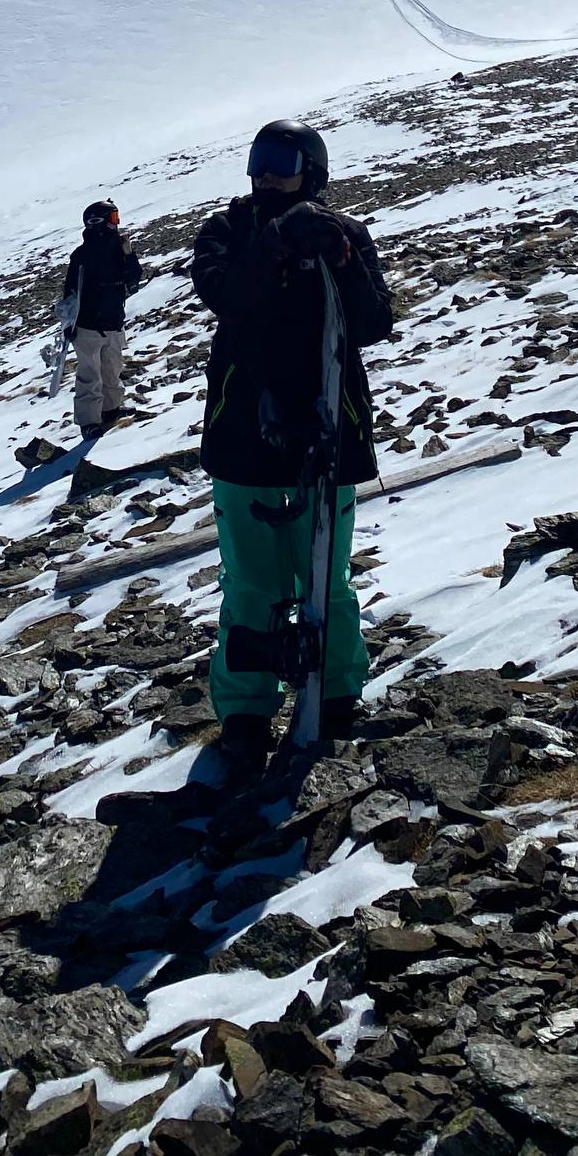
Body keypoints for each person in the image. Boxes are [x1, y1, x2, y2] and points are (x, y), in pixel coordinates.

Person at [191, 119, 394, 768]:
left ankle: (335, 696)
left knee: (326, 578)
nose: (266, 174)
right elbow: (227, 296)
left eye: (282, 160)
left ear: (312, 169)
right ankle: (247, 713)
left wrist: (342, 260)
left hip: (326, 431)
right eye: (259, 160)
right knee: (252, 581)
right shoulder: (227, 231)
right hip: (245, 436)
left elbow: (373, 322)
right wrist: (274, 244)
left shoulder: (344, 233)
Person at [62, 199, 143, 441]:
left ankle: (111, 409)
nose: (116, 224)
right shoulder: (83, 255)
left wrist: (129, 253)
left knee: (112, 369)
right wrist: (69, 323)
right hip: (87, 326)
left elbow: (134, 280)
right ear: (98, 222)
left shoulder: (119, 250)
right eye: (113, 218)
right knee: (90, 375)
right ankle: (89, 421)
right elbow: (71, 292)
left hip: (113, 322)